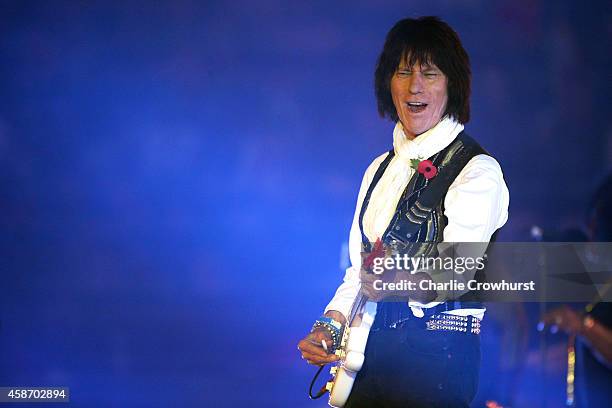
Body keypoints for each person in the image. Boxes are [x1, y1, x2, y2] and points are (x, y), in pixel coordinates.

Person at [298, 16, 509, 407]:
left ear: (452, 84)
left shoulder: (477, 170)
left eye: (430, 73)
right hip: (368, 355)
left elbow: (457, 271)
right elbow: (359, 270)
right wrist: (331, 325)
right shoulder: (378, 168)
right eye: (404, 72)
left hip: (436, 363)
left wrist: (397, 280)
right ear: (387, 83)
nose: (415, 86)